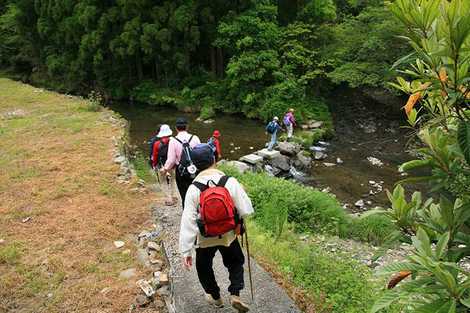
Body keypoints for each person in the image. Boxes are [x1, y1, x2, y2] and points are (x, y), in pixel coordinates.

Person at [179, 143, 253, 312]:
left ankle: (216, 298)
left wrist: (186, 250)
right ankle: (235, 294)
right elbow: (246, 209)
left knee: (203, 267)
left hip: (205, 237)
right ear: (214, 160)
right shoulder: (229, 181)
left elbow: (188, 221)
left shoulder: (193, 189)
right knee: (235, 262)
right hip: (228, 234)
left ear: (195, 165)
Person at [160, 117, 200, 207]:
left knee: (184, 194)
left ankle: (187, 214)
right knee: (197, 192)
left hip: (181, 171)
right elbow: (200, 154)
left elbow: (171, 160)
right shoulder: (195, 138)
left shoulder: (173, 141)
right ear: (187, 127)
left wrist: (165, 169)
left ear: (176, 128)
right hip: (195, 169)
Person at [151, 124, 176, 206]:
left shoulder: (157, 144)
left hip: (161, 166)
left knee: (163, 182)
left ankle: (168, 199)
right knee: (173, 180)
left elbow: (154, 156)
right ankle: (174, 196)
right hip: (172, 165)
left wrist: (154, 165)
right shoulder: (174, 141)